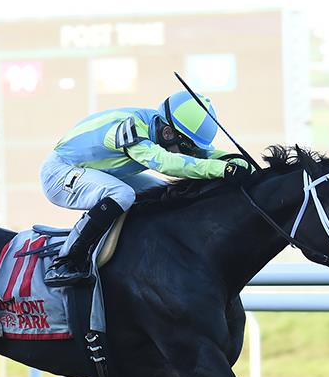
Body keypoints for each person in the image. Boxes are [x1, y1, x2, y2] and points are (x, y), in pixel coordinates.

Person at [40, 89, 252, 286]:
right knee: (122, 194)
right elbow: (166, 163)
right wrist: (222, 170)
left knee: (164, 192)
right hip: (60, 172)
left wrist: (241, 164)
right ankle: (67, 260)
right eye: (187, 147)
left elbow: (206, 156)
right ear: (168, 133)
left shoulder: (165, 128)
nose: (190, 153)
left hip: (99, 172)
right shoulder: (131, 128)